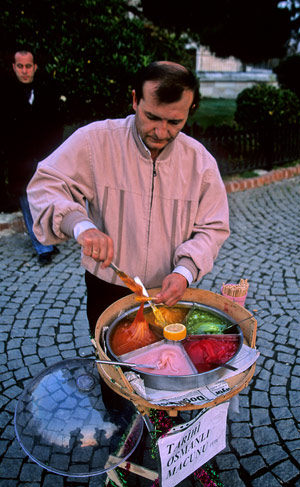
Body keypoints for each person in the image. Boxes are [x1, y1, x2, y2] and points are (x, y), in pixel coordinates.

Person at [27, 61, 230, 332]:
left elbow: (213, 228)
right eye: (152, 117)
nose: (161, 132)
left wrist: (185, 272)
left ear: (190, 110)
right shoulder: (95, 141)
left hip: (170, 290)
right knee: (111, 368)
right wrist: (81, 225)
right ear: (135, 100)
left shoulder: (201, 163)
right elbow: (46, 184)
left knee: (165, 365)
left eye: (174, 122)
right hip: (107, 287)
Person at [1, 49, 64, 264]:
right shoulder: (6, 93)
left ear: (35, 67)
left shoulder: (46, 90)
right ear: (14, 67)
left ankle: (48, 241)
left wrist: (51, 153)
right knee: (27, 202)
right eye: (20, 66)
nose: (25, 71)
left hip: (45, 156)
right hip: (19, 158)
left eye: (28, 66)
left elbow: (56, 123)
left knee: (46, 200)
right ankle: (42, 247)